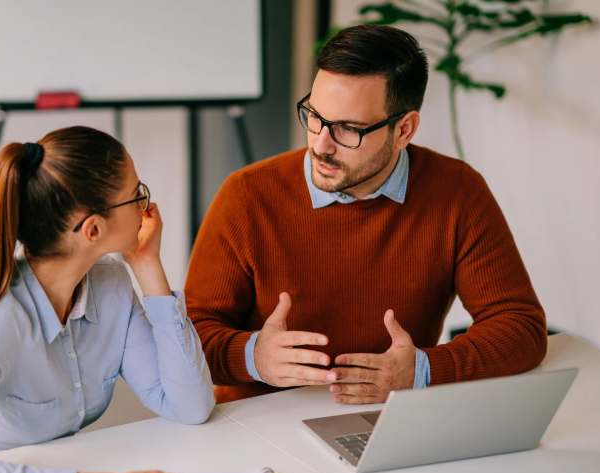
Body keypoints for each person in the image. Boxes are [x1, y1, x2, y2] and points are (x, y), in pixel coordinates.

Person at [185, 24, 547, 404]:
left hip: (389, 417)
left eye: (348, 129)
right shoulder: (248, 194)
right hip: (256, 420)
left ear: (403, 130)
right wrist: (252, 357)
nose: (320, 145)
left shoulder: (457, 192)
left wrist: (422, 371)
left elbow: (521, 327)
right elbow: (188, 338)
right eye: (314, 116)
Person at [0, 126, 215, 473]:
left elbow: (189, 406)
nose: (146, 204)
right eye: (136, 194)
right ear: (93, 229)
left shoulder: (111, 285)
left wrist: (147, 266)